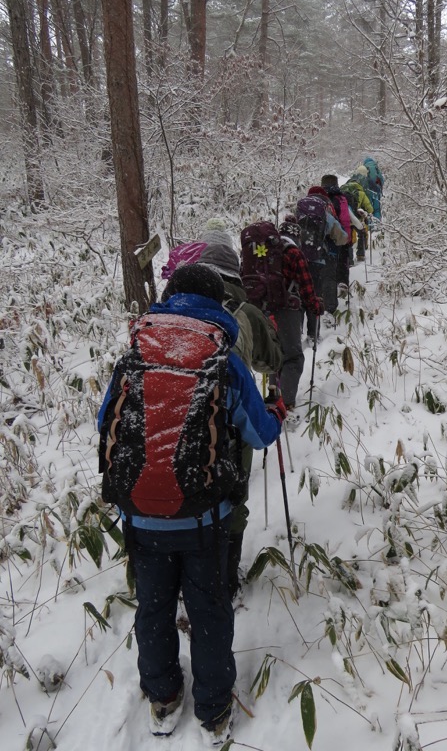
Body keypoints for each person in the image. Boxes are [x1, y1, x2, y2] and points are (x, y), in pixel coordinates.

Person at [97, 264, 286, 745]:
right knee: (208, 610)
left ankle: (162, 697)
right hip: (205, 519)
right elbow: (259, 433)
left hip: (140, 516)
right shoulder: (221, 356)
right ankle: (215, 709)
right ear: (215, 303)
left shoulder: (134, 353)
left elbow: (105, 421)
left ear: (169, 297)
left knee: (153, 608)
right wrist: (275, 411)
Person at [200, 241, 283, 599]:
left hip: (169, 422)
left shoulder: (172, 316)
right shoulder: (246, 311)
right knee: (231, 503)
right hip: (229, 423)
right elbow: (272, 361)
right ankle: (224, 582)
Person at [262, 220, 323, 415]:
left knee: (274, 356)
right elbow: (306, 287)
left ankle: (273, 400)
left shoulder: (263, 251)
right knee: (293, 358)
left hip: (262, 311)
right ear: (297, 236)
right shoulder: (294, 253)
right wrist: (316, 306)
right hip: (286, 311)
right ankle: (285, 405)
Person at [302, 187, 347, 337]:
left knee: (303, 292)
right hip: (320, 258)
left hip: (300, 258)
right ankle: (315, 332)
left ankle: (298, 329)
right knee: (320, 290)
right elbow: (341, 237)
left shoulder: (300, 209)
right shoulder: (325, 212)